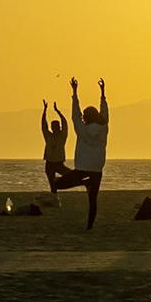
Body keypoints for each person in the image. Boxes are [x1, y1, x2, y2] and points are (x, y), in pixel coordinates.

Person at [50, 77, 109, 229]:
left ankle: (84, 182)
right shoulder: (104, 128)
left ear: (86, 117)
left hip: (83, 167)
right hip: (97, 168)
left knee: (58, 184)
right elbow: (104, 112)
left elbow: (75, 115)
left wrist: (74, 93)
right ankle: (89, 226)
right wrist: (102, 93)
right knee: (93, 200)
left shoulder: (81, 129)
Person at [40, 99, 70, 194]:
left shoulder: (62, 136)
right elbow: (44, 126)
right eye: (52, 126)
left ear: (59, 127)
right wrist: (44, 111)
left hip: (58, 163)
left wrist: (58, 112)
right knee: (52, 185)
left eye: (55, 126)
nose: (54, 128)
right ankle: (54, 196)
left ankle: (60, 182)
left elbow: (65, 124)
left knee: (70, 175)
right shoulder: (49, 136)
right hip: (49, 163)